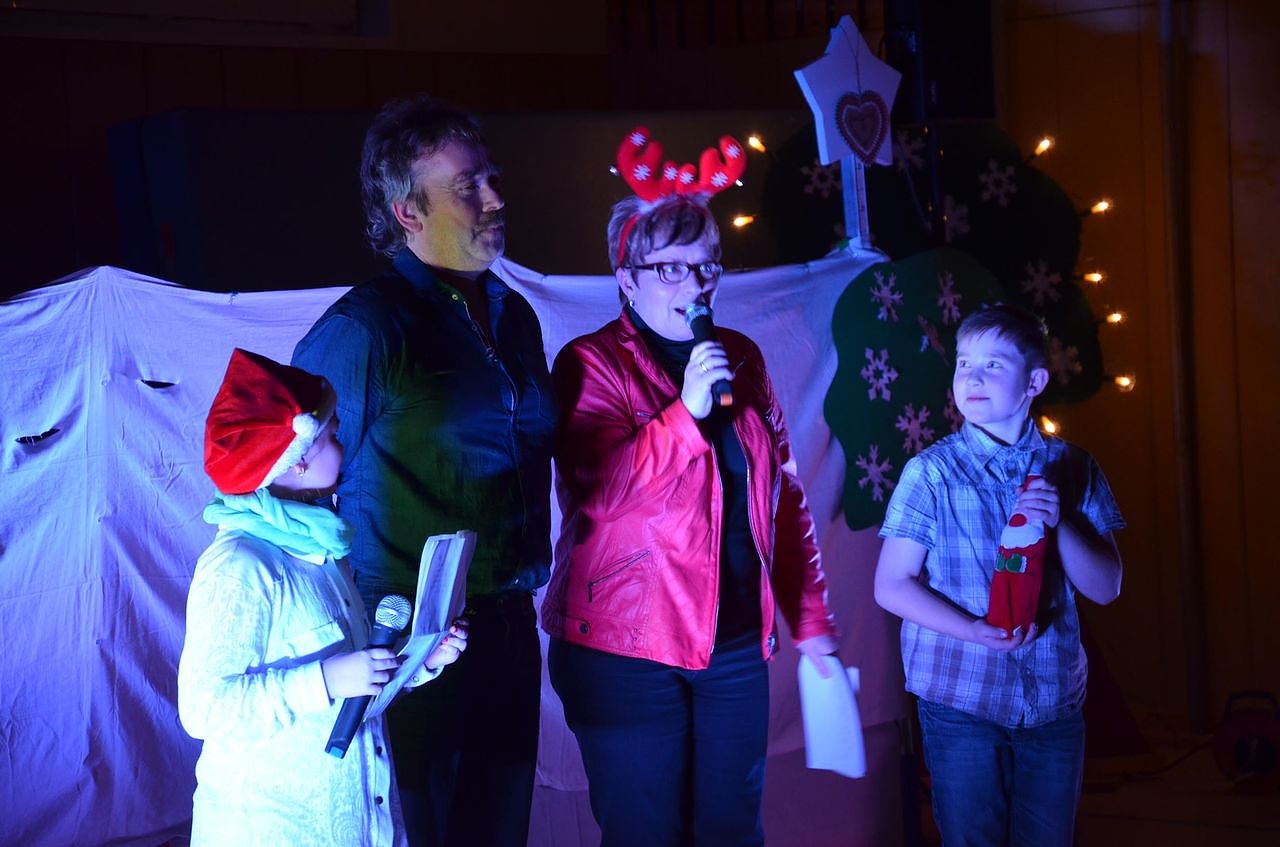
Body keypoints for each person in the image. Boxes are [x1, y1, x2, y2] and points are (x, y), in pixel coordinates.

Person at [291, 95, 555, 847]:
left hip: (508, 626)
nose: (495, 197)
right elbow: (286, 478)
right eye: (468, 185)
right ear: (407, 211)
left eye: (491, 177)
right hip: (406, 643)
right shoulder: (366, 329)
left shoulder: (514, 316)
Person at [541, 191, 839, 847]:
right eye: (671, 268)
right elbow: (599, 494)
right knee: (648, 834)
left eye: (707, 264)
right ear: (627, 280)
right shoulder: (590, 364)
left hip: (733, 644)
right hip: (624, 649)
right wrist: (686, 412)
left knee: (732, 831)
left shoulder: (742, 357)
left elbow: (782, 494)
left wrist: (812, 619)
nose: (696, 282)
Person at [178, 348, 467, 846]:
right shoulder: (240, 565)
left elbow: (354, 689)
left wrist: (420, 660)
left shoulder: (321, 551)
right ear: (297, 460)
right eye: (331, 434)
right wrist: (327, 679)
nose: (342, 442)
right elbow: (204, 708)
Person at [874, 304, 1125, 847]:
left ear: (1034, 382)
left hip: (1052, 701)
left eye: (993, 365)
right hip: (962, 700)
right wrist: (973, 630)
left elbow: (1106, 587)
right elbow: (891, 585)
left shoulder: (1073, 467)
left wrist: (1059, 522)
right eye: (964, 363)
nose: (972, 378)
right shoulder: (932, 473)